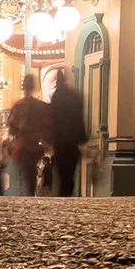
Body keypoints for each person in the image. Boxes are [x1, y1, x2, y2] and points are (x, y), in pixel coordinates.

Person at [6, 73, 51, 196]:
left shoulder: (18, 105)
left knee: (19, 173)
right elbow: (46, 126)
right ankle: (29, 194)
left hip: (21, 147)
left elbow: (11, 126)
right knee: (30, 173)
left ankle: (21, 194)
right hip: (33, 146)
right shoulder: (40, 106)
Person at [49, 68, 88, 197]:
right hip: (72, 141)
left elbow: (53, 120)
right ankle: (68, 193)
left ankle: (63, 195)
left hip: (60, 141)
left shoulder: (55, 97)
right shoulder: (74, 95)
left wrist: (51, 139)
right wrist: (82, 138)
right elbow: (79, 118)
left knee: (61, 172)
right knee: (71, 172)